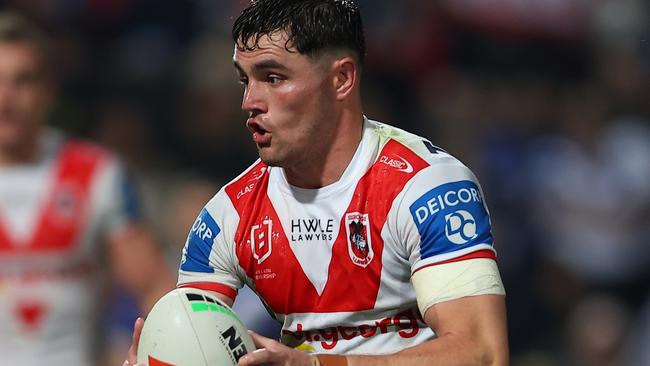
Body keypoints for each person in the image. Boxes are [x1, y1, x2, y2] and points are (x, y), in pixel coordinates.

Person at [126, 0, 508, 365]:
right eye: (246, 80)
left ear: (341, 78)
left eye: (273, 77)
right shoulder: (226, 218)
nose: (249, 101)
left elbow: (483, 354)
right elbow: (193, 340)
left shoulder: (428, 187)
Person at [0, 11, 174, 365]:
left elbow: (158, 290)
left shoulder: (95, 173)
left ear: (50, 90)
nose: (6, 98)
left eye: (23, 80)